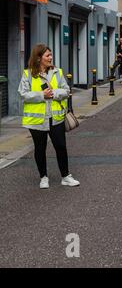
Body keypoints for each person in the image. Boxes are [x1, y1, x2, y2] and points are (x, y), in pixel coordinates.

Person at [18, 44, 80, 189]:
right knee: (40, 148)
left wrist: (54, 93)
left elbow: (66, 90)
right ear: (39, 58)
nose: (51, 58)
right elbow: (23, 94)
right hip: (36, 120)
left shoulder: (57, 72)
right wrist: (41, 95)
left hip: (56, 118)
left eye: (51, 55)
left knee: (61, 146)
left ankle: (65, 176)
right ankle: (43, 177)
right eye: (47, 55)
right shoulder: (28, 74)